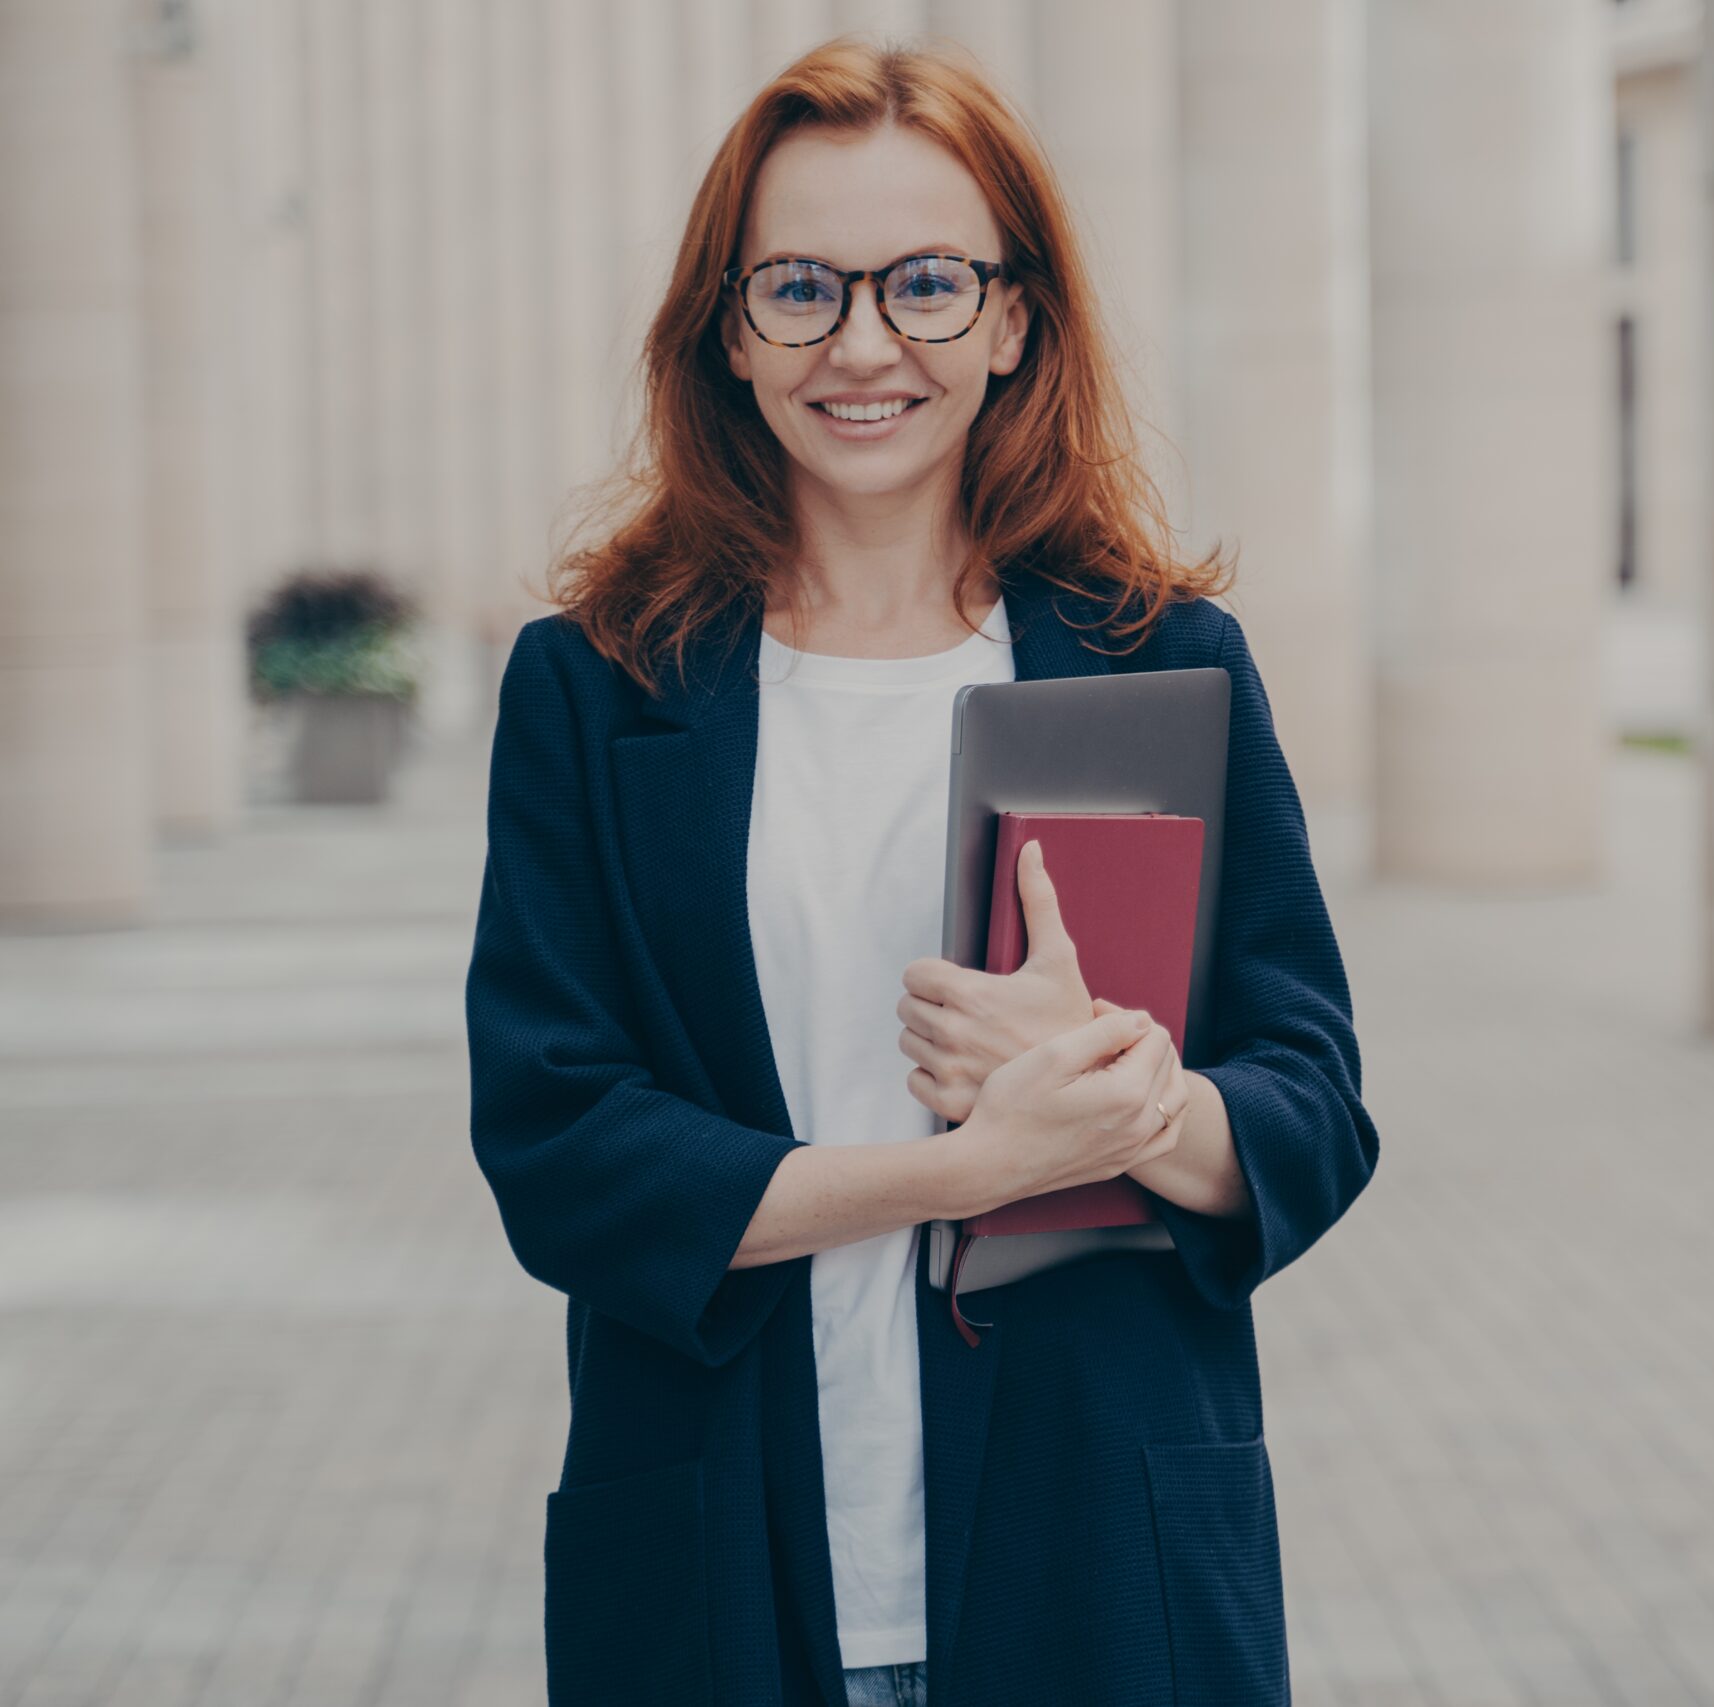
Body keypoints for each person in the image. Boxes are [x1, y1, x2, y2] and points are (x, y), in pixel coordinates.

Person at [461, 36, 1380, 1707]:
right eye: (802, 285)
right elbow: (557, 1143)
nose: (865, 343)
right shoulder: (596, 691)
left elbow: (1316, 1101)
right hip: (726, 1565)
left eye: (930, 283)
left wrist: (1132, 1107)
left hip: (1096, 1556)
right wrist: (970, 1169)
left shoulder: (1154, 665)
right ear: (729, 329)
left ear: (1015, 318)